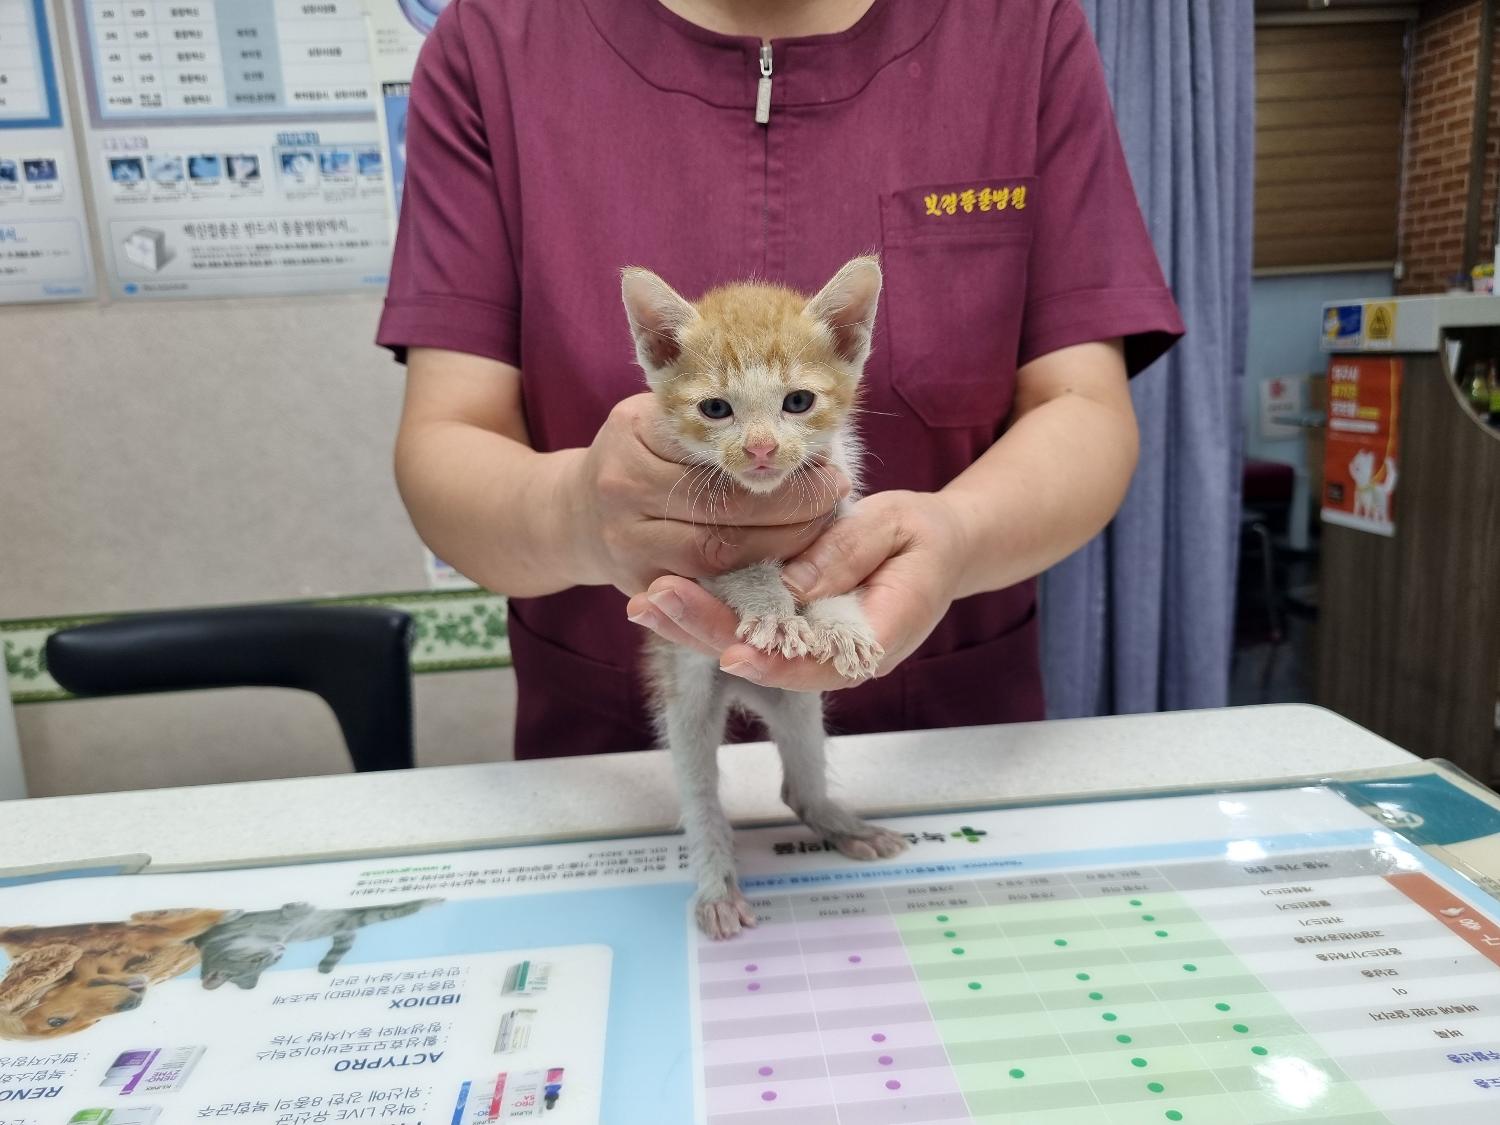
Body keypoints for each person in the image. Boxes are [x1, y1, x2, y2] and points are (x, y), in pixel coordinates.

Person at [379, 0, 1184, 758]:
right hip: (618, 762)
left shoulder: (1018, 30)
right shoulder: (496, 43)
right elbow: (448, 440)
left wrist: (958, 536)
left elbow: (1081, 406)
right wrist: (578, 515)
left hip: (940, 744)